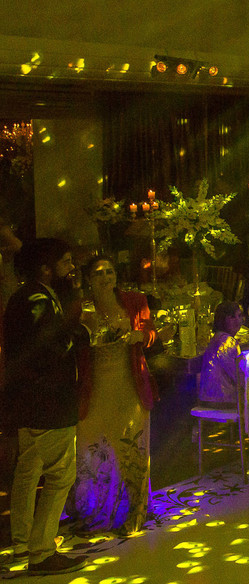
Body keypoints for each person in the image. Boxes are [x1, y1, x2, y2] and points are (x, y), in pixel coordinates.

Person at [2, 239, 88, 574]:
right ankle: (41, 552)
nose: (71, 268)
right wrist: (79, 332)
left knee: (29, 469)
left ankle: (24, 542)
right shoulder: (37, 299)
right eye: (65, 262)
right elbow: (45, 348)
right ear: (45, 268)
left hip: (31, 402)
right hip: (47, 403)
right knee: (61, 475)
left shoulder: (28, 296)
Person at [72, 254, 157, 534]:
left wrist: (140, 336)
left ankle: (135, 512)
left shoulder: (134, 301)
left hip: (129, 383)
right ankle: (96, 511)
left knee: (130, 448)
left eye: (109, 272)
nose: (105, 277)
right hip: (94, 386)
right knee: (93, 447)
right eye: (98, 273)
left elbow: (150, 331)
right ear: (89, 279)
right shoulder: (81, 307)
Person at [197, 302, 246, 405]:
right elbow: (239, 376)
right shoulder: (226, 342)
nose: (238, 321)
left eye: (239, 316)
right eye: (232, 317)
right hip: (221, 401)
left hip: (210, 399)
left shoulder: (218, 337)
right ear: (222, 320)